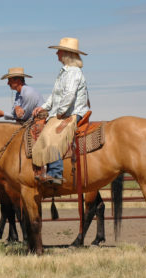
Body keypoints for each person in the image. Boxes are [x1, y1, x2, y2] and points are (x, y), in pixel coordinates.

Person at [32, 37, 90, 184]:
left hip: (72, 113)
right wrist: (44, 107)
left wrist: (59, 113)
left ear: (65, 54)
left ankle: (56, 172)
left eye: (59, 51)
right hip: (64, 112)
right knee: (47, 132)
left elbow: (69, 95)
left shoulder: (74, 72)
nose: (56, 53)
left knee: (54, 135)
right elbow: (55, 94)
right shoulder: (64, 72)